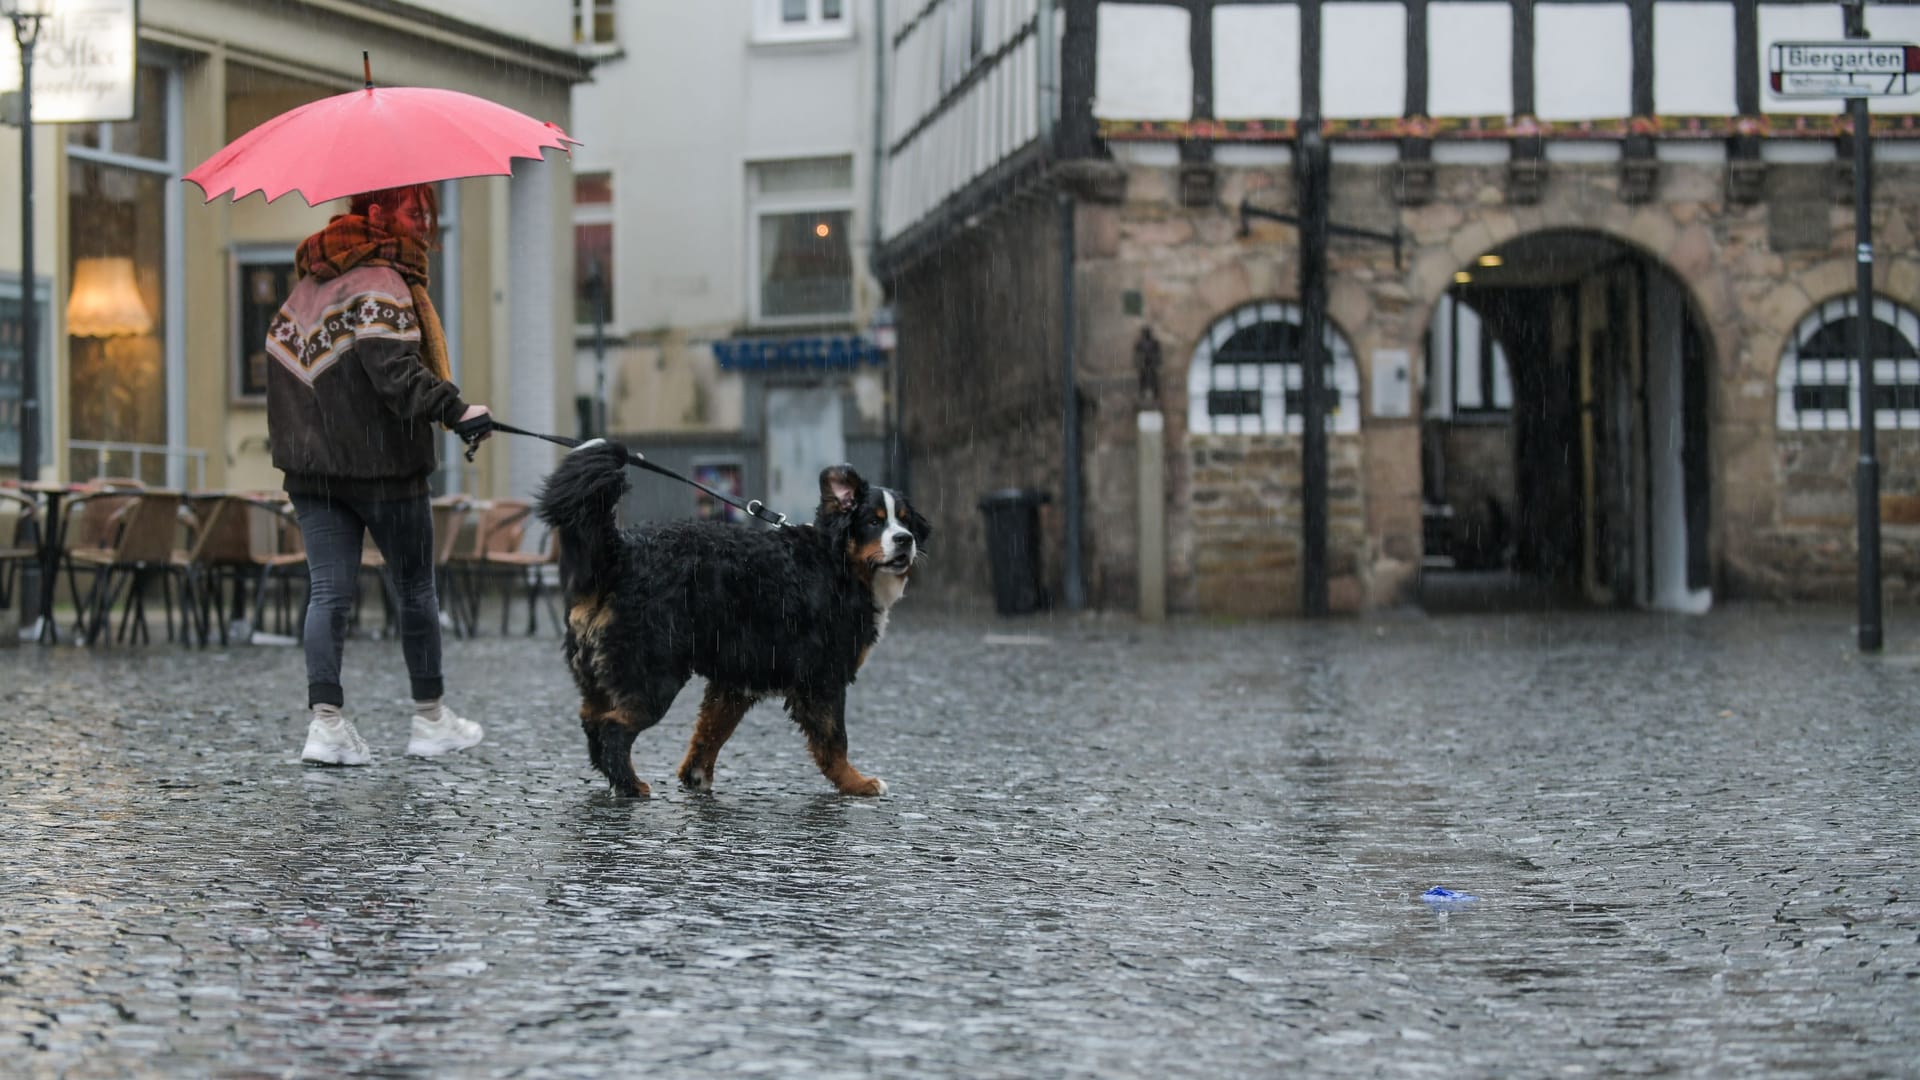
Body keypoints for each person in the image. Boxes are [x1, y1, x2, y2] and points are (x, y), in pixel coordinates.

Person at [264, 182, 492, 766]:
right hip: (384, 468)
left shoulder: (306, 288)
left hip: (313, 472)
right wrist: (456, 410)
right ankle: (430, 720)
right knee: (414, 589)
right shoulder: (383, 282)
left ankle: (326, 726)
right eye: (415, 213)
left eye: (427, 214)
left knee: (329, 594)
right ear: (376, 215)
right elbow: (392, 372)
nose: (424, 225)